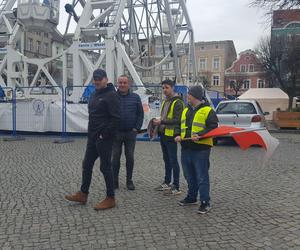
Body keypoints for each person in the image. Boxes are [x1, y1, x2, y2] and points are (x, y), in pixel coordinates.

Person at [65, 69, 121, 210]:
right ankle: (83, 194)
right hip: (93, 136)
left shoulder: (111, 95)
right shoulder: (95, 93)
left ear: (106, 79)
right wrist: (92, 134)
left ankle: (110, 198)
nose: (96, 81)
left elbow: (116, 118)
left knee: (105, 167)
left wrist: (105, 134)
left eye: (99, 79)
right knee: (87, 164)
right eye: (95, 79)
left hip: (104, 138)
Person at [175, 85, 218, 214]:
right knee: (189, 175)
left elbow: (213, 127)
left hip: (201, 149)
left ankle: (205, 202)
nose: (187, 96)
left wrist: (201, 135)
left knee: (201, 176)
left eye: (189, 94)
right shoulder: (186, 110)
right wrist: (177, 135)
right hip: (186, 147)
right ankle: (192, 197)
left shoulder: (208, 111)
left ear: (195, 96)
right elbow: (180, 125)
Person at [112, 75, 144, 190]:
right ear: (117, 84)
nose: (122, 85)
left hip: (131, 133)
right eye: (120, 82)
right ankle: (114, 181)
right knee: (115, 158)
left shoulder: (135, 97)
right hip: (116, 133)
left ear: (128, 84)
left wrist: (137, 128)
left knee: (129, 157)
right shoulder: (113, 97)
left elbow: (140, 114)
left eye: (124, 83)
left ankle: (129, 181)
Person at [153, 79, 184, 195]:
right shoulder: (166, 101)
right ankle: (166, 182)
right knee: (166, 160)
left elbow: (178, 120)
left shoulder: (178, 102)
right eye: (163, 88)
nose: (164, 90)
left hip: (172, 136)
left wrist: (161, 121)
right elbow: (164, 116)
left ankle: (176, 186)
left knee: (173, 160)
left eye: (166, 87)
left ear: (172, 88)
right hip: (164, 134)